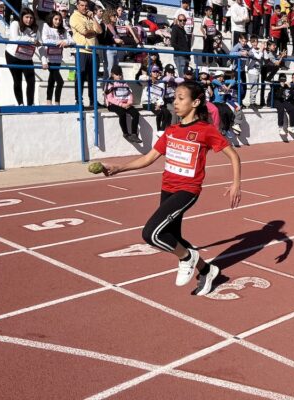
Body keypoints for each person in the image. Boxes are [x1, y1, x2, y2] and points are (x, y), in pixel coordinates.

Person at [102, 81, 242, 295]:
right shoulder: (172, 130)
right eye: (174, 97)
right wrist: (119, 168)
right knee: (172, 238)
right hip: (167, 188)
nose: (175, 102)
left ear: (195, 102)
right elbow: (149, 158)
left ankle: (188, 257)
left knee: (150, 234)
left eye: (180, 98)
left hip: (187, 190)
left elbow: (233, 154)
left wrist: (235, 184)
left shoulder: (205, 130)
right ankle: (207, 270)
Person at [69, 0, 102, 108]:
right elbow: (85, 32)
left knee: (93, 78)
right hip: (81, 51)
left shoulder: (90, 17)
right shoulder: (75, 17)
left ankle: (93, 101)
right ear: (77, 6)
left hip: (93, 51)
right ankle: (78, 101)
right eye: (82, 5)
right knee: (80, 77)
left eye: (86, 6)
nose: (84, 8)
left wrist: (93, 18)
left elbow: (100, 31)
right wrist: (94, 31)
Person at [5, 8, 40, 106]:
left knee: (31, 80)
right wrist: (31, 39)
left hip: (26, 56)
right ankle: (20, 103)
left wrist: (44, 61)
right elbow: (15, 38)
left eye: (31, 18)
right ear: (22, 17)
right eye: (26, 17)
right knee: (17, 80)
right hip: (13, 55)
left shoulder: (35, 29)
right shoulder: (15, 24)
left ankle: (30, 104)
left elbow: (40, 44)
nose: (29, 20)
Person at [104, 65, 142, 143]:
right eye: (117, 74)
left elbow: (130, 94)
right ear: (112, 74)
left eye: (120, 74)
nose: (119, 76)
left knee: (135, 113)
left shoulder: (124, 83)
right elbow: (110, 98)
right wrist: (121, 104)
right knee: (122, 113)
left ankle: (134, 134)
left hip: (125, 104)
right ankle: (125, 133)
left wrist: (129, 102)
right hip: (113, 105)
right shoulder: (110, 83)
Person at [39, 11, 70, 105]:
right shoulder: (46, 26)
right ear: (51, 19)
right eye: (56, 19)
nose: (58, 21)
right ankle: (57, 102)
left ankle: (48, 101)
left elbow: (72, 40)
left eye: (60, 20)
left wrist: (66, 42)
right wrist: (59, 41)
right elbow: (45, 40)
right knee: (60, 82)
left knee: (51, 80)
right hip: (49, 58)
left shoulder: (62, 29)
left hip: (58, 58)